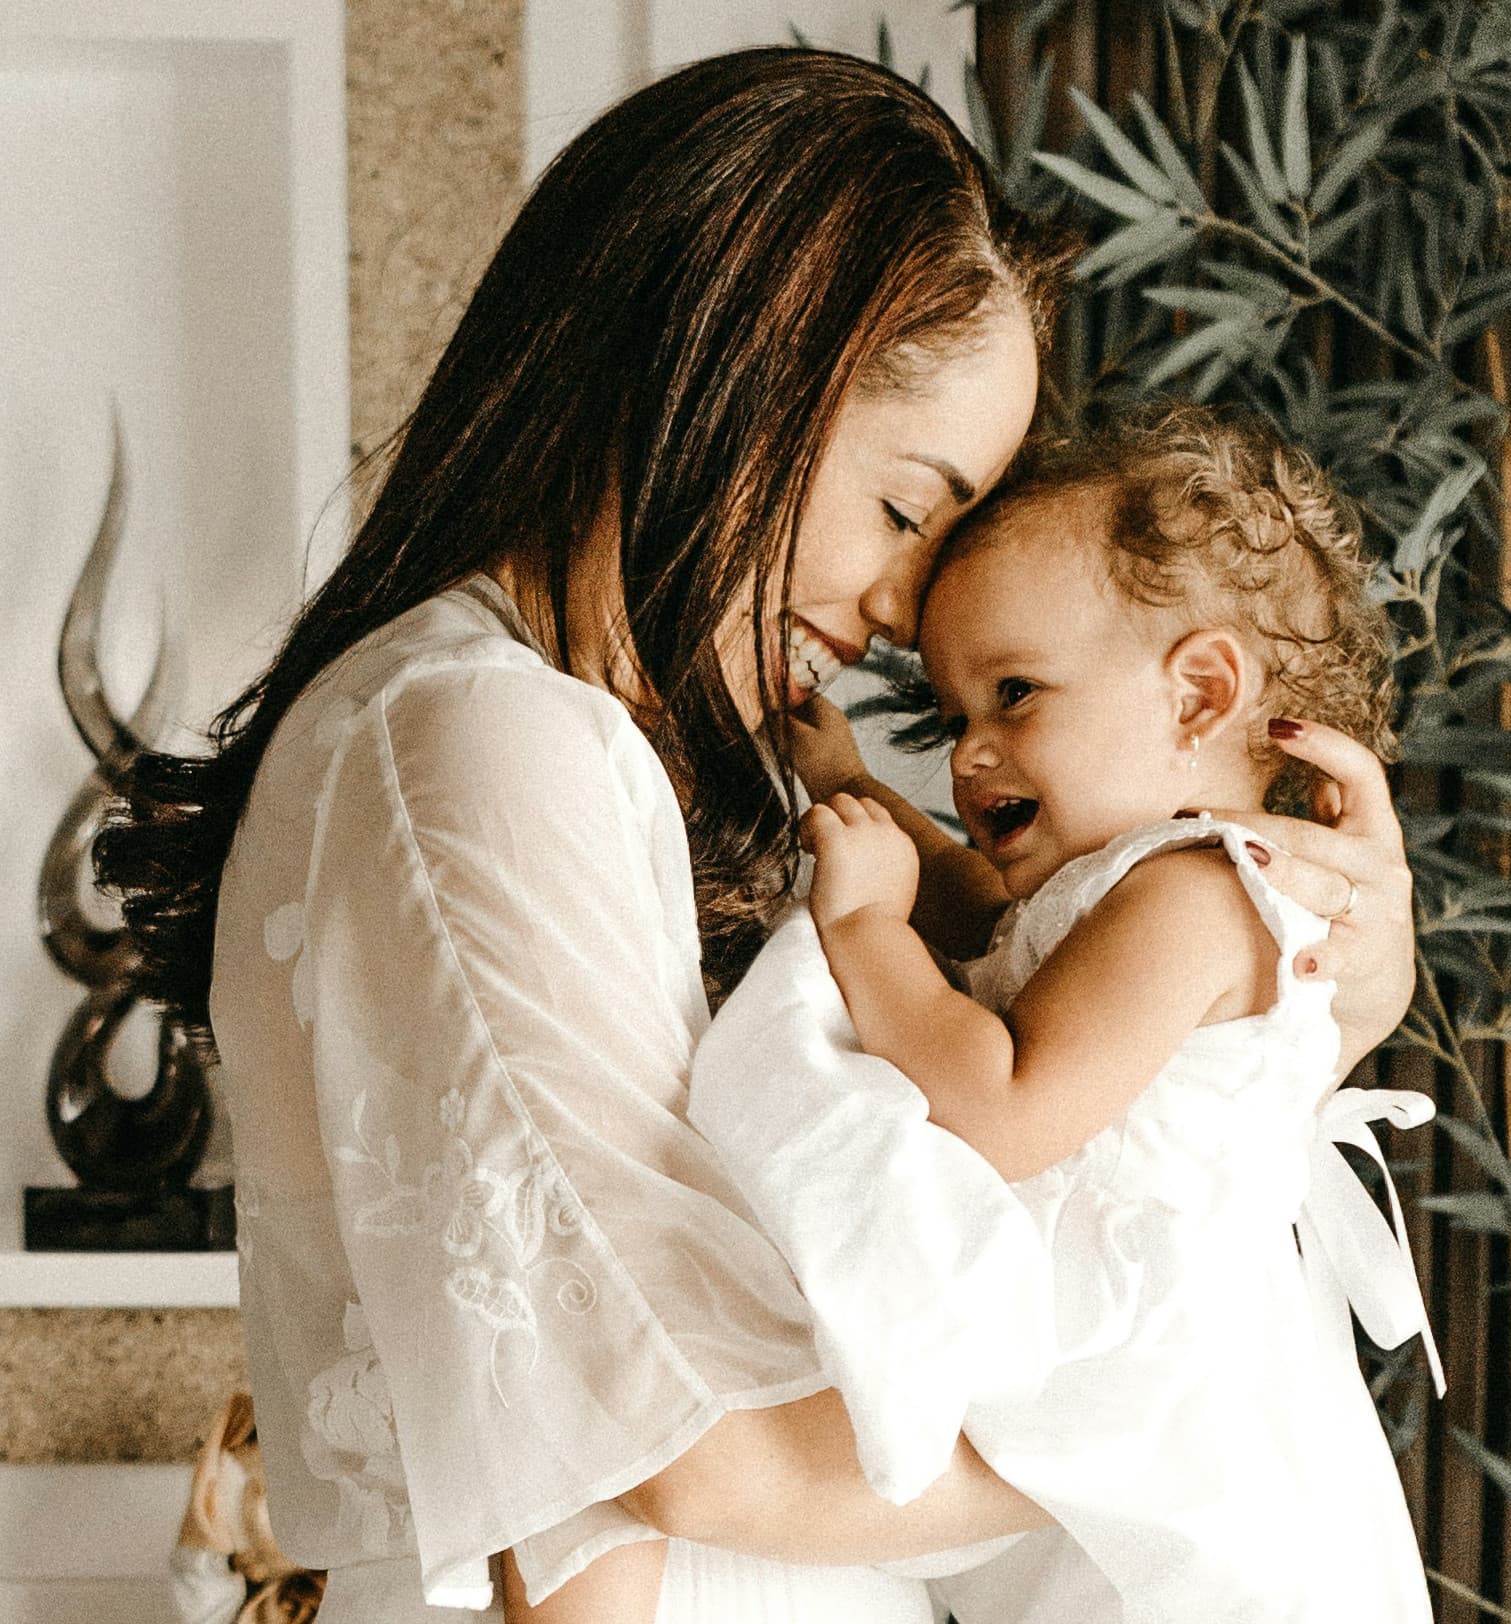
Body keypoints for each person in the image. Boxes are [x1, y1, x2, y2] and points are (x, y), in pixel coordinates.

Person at [92, 47, 1418, 1624]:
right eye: (909, 509)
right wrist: (1205, 1436)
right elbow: (689, 1451)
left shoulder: (582, 743)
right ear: (741, 370)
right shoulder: (483, 736)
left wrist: (1296, 1022)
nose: (904, 613)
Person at [691, 404, 1442, 1624]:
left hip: (1191, 1491)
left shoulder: (1198, 898)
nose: (971, 757)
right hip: (1104, 1423)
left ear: (1199, 692)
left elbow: (999, 1107)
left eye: (1014, 695)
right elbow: (989, 921)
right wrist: (845, 788)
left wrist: (866, 929)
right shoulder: (1130, 884)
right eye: (952, 720)